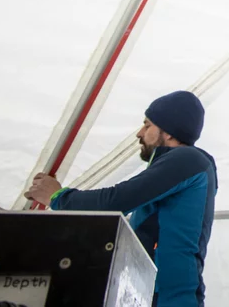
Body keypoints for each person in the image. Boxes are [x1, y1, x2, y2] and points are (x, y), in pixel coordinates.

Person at [26, 91, 217, 307]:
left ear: (170, 133)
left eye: (147, 126)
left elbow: (114, 202)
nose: (139, 133)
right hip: (150, 295)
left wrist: (58, 197)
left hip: (171, 299)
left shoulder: (188, 160)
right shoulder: (178, 171)